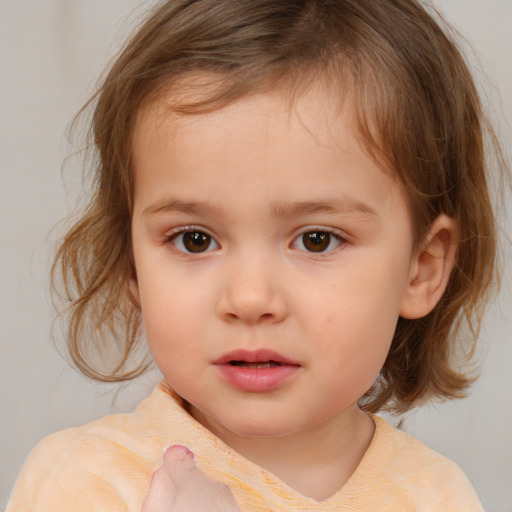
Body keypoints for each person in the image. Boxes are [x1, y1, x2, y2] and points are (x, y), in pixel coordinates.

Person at [6, 0, 508, 510]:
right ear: (131, 265)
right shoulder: (83, 484)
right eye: (194, 239)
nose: (249, 298)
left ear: (420, 269)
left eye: (317, 239)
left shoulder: (436, 496)